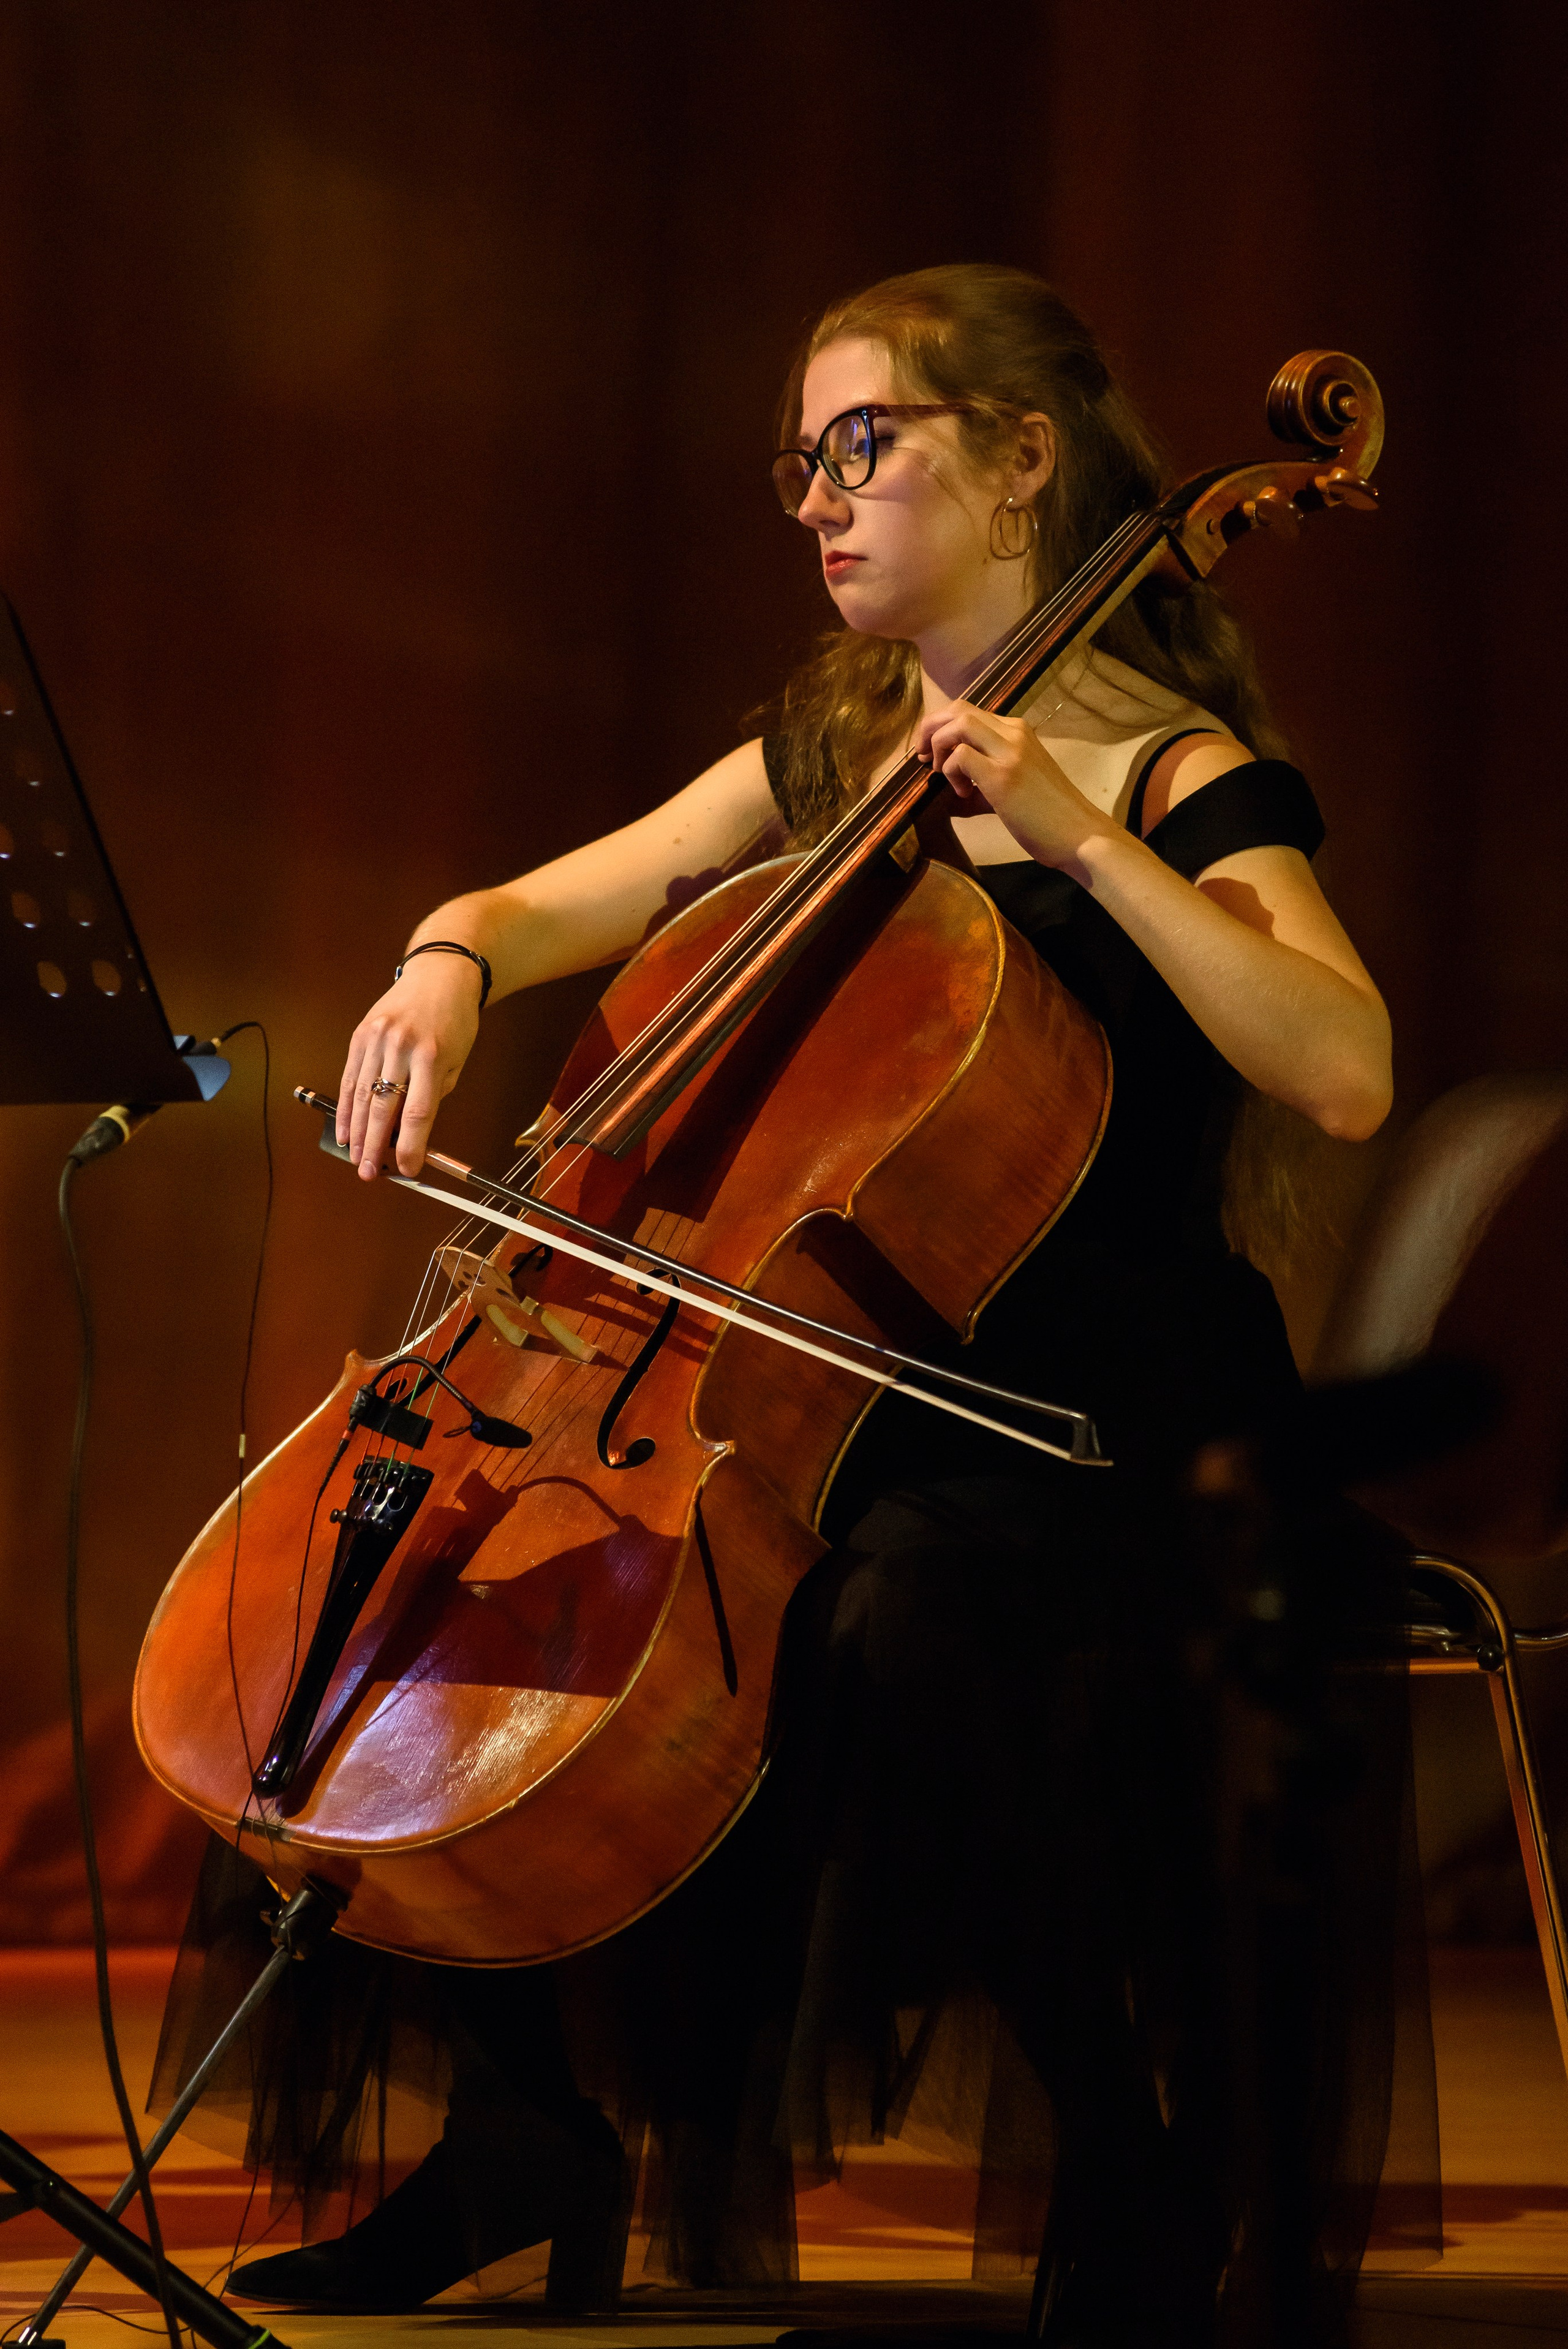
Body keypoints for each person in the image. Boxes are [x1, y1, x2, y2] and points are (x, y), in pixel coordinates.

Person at [160, 265, 1417, 2346]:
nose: (820, 501)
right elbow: (550, 899)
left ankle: (1131, 2154)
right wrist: (447, 961)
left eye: (865, 446)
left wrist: (1078, 831)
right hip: (830, 1383)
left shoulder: (1176, 776)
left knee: (899, 1620)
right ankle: (522, 2128)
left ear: (1023, 462)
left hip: (1097, 1417)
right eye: (802, 464)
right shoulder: (838, 738)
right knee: (393, 1581)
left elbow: (1346, 1064)